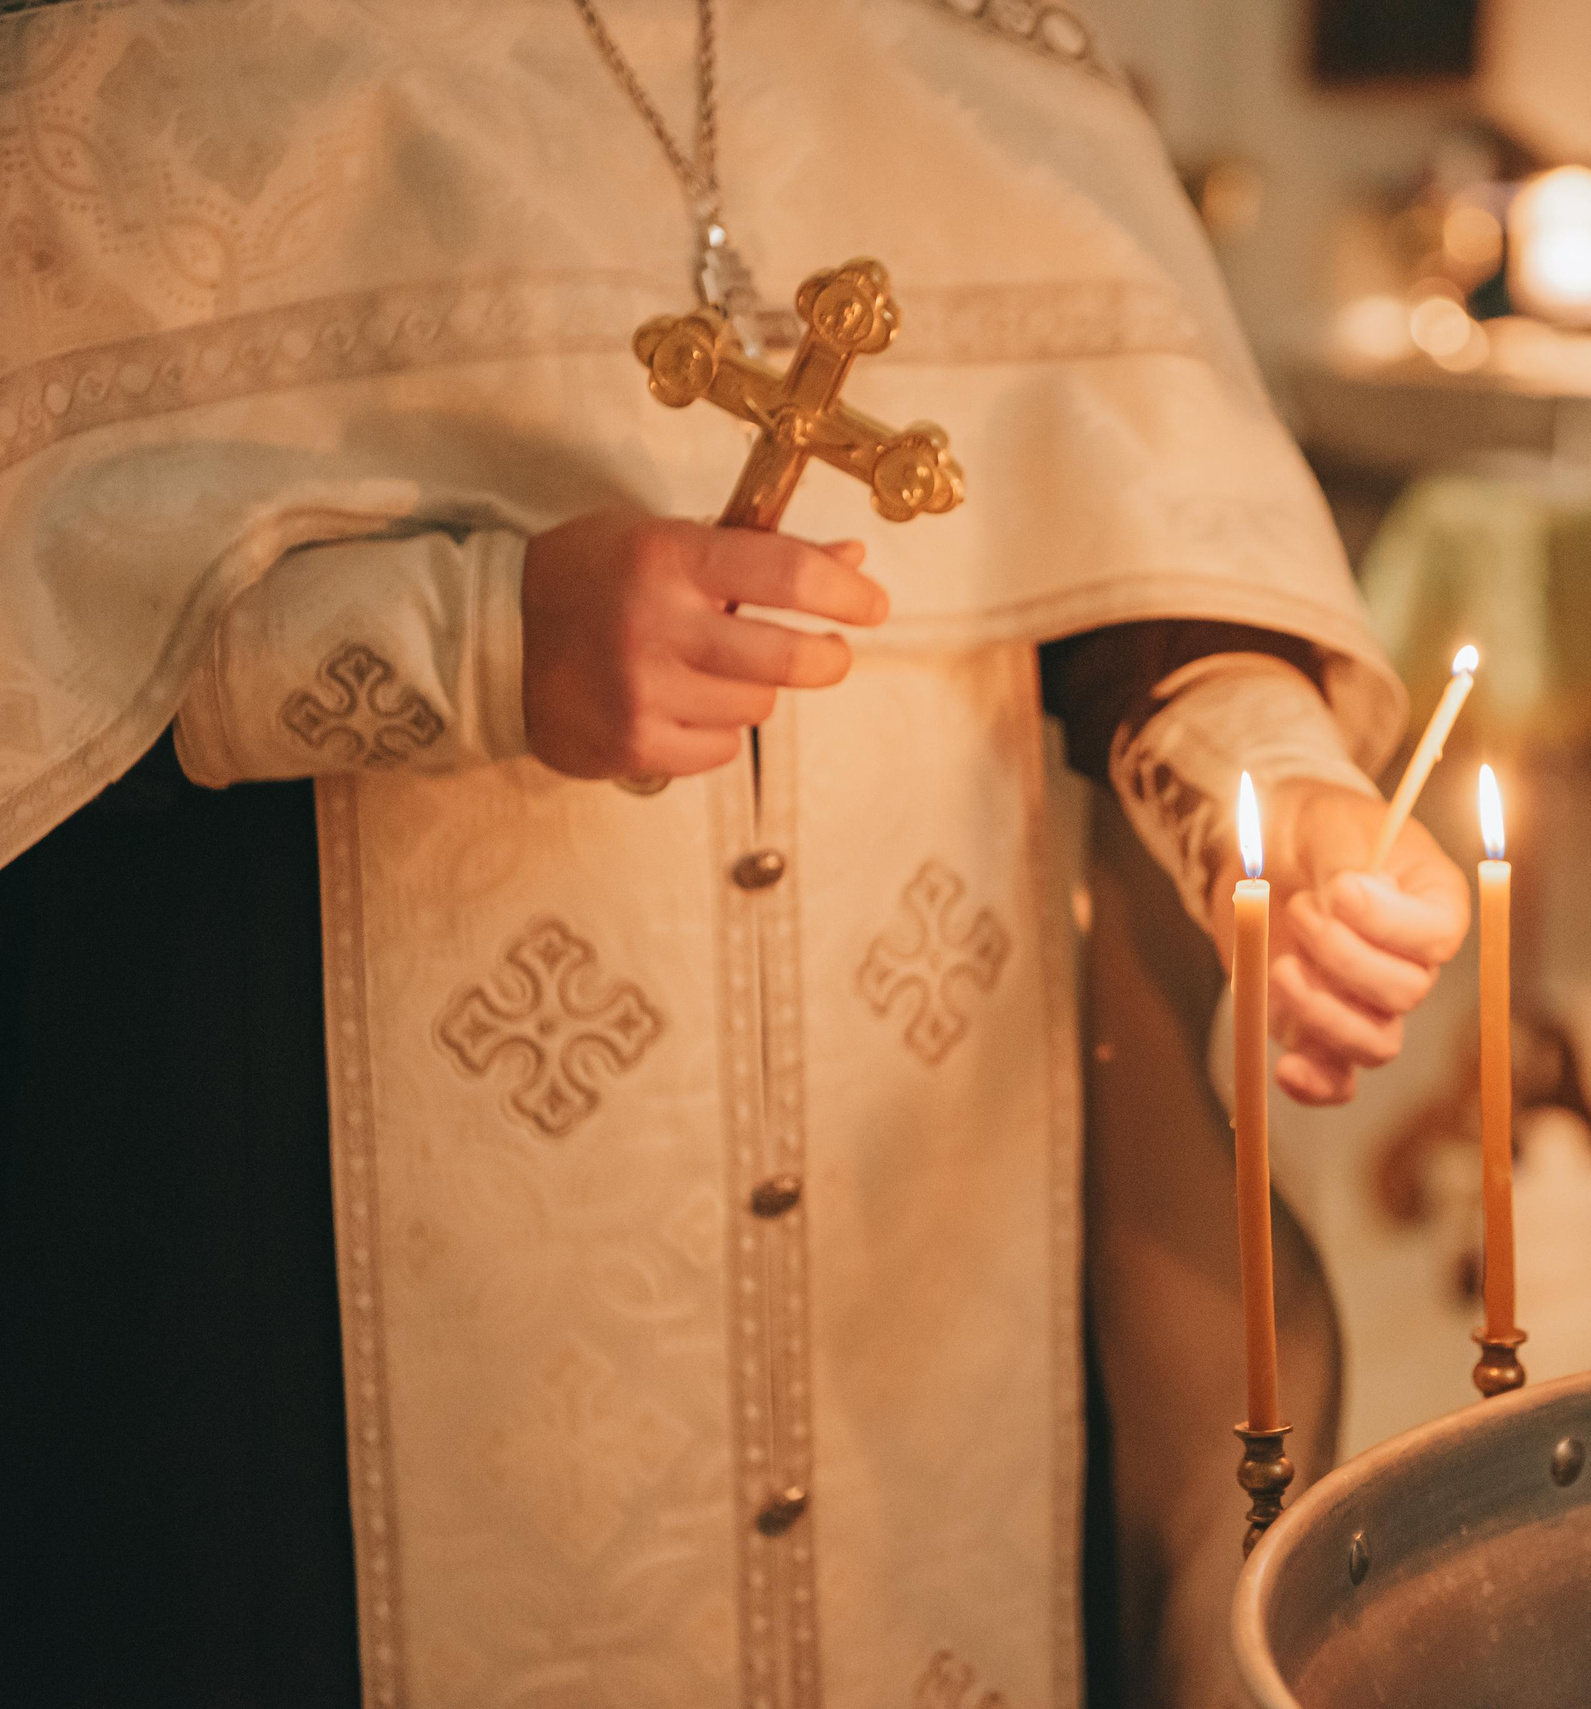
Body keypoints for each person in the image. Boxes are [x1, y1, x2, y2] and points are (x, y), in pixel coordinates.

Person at [0, 2, 1468, 1704]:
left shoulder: (981, 54)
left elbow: (1143, 585)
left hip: (933, 1279)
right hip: (293, 1352)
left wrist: (1282, 819)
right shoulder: (143, 68)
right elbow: (48, 649)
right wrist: (470, 638)